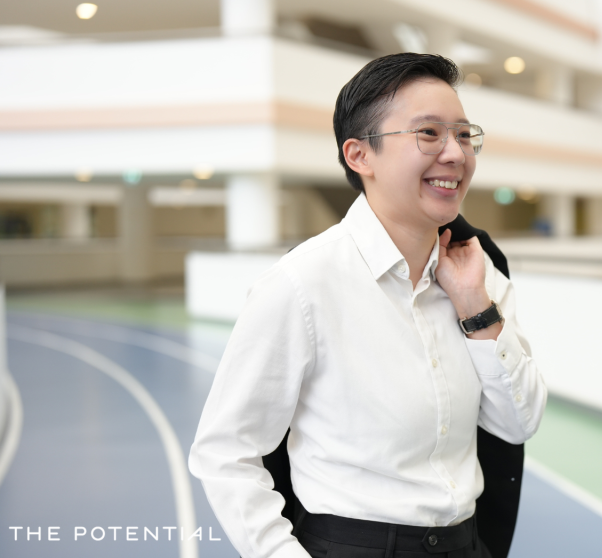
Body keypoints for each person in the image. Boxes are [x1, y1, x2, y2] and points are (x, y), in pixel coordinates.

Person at [188, 53, 547, 558]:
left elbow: (518, 423)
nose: (455, 154)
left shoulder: (478, 271)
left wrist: (475, 307)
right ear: (360, 156)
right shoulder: (302, 284)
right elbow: (226, 451)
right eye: (429, 133)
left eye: (464, 135)